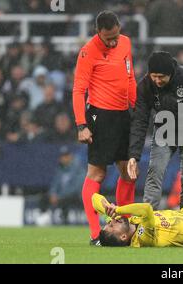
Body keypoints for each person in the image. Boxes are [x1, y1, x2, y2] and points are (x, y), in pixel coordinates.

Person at [72, 11, 137, 245]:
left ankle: (126, 228)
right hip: (100, 117)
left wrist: (136, 108)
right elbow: (79, 90)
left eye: (115, 36)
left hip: (122, 116)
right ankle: (95, 234)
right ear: (98, 32)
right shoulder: (88, 52)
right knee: (97, 174)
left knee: (128, 173)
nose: (113, 41)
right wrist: (82, 125)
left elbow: (130, 79)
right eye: (108, 38)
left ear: (120, 28)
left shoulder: (126, 43)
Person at [127, 51, 183, 210]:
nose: (157, 80)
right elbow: (139, 121)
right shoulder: (145, 85)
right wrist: (133, 155)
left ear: (171, 73)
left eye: (161, 77)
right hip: (164, 133)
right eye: (154, 76)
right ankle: (148, 220)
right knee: (154, 173)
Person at [48, 146, 86, 224]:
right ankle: (43, 216)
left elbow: (76, 187)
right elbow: (54, 184)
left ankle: (65, 221)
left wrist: (59, 196)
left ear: (70, 156)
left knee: (66, 199)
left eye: (66, 156)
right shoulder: (60, 169)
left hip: (76, 196)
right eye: (62, 156)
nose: (64, 158)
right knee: (44, 198)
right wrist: (53, 194)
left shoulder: (78, 168)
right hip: (61, 196)